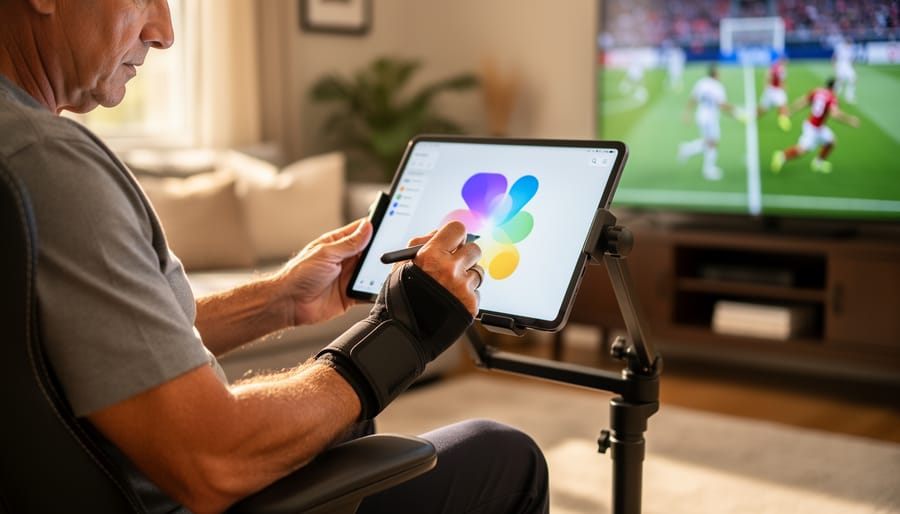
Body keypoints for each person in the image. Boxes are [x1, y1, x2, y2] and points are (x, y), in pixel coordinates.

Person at [0, 2, 549, 514]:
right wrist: (404, 332)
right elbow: (213, 458)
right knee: (503, 453)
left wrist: (278, 300)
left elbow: (104, 346)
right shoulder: (48, 163)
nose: (164, 32)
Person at [771, 78, 860, 174]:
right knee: (801, 150)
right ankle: (781, 156)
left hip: (815, 126)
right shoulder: (831, 97)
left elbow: (803, 102)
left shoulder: (817, 91)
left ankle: (818, 163)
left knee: (831, 142)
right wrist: (850, 120)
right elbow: (835, 115)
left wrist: (790, 111)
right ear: (834, 87)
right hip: (813, 129)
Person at [677, 65, 742, 181]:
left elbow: (693, 98)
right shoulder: (718, 87)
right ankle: (708, 169)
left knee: (709, 142)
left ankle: (686, 149)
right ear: (715, 74)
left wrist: (687, 113)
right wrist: (735, 111)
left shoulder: (701, 83)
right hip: (710, 119)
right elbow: (722, 105)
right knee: (713, 143)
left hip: (700, 116)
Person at [756, 56, 791, 132]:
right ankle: (783, 121)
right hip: (775, 90)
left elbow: (768, 77)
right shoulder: (780, 68)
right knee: (781, 106)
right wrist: (784, 88)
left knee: (779, 106)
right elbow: (779, 80)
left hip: (770, 90)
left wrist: (766, 86)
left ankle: (782, 121)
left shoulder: (774, 66)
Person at [832, 35, 857, 104]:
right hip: (840, 65)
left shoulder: (851, 48)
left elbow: (853, 58)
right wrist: (834, 66)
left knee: (853, 79)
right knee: (839, 81)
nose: (849, 44)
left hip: (847, 65)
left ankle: (849, 96)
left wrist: (853, 66)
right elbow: (834, 57)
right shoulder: (839, 48)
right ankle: (834, 96)